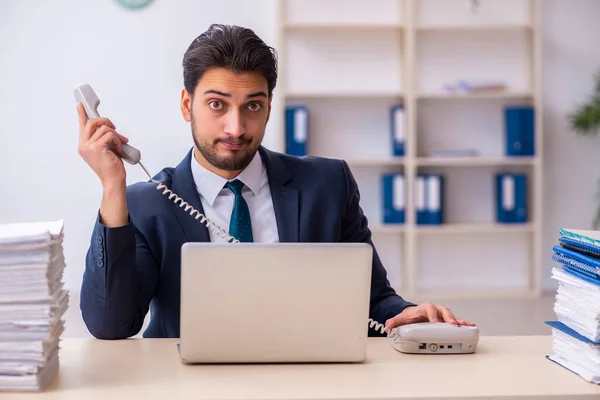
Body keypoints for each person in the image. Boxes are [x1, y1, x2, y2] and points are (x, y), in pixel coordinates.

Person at [77, 23, 475, 340]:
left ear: (269, 107)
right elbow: (112, 325)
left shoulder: (328, 183)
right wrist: (113, 188)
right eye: (217, 104)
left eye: (253, 105)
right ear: (187, 105)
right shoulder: (149, 203)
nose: (236, 127)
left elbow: (371, 301)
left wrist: (405, 314)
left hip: (307, 382)